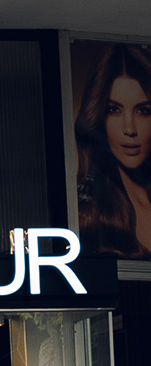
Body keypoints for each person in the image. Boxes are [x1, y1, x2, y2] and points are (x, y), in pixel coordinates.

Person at [75, 42, 151, 258]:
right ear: (99, 117)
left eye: (143, 111)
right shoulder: (87, 216)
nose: (129, 129)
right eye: (114, 110)